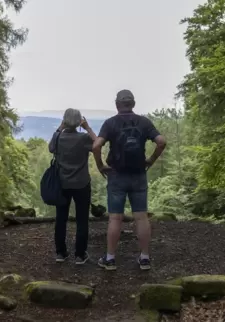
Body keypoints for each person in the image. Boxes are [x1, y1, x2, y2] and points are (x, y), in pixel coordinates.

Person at [92, 90, 167, 271]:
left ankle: (110, 259)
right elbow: (161, 141)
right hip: (139, 174)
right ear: (133, 104)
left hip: (116, 175)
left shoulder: (110, 123)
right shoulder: (144, 122)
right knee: (141, 217)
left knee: (115, 218)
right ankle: (145, 258)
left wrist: (101, 165)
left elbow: (96, 145)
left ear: (117, 104)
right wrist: (150, 160)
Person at [48, 108, 97, 265]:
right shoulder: (83, 138)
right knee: (82, 219)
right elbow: (97, 144)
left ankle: (61, 253)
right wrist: (88, 127)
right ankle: (80, 255)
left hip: (62, 183)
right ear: (79, 122)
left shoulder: (58, 138)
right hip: (82, 183)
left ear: (64, 121)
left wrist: (59, 128)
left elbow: (50, 148)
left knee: (61, 218)